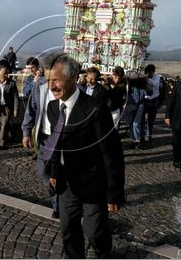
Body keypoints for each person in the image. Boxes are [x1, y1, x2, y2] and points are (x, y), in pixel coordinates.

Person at [45, 55, 125, 258]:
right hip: (66, 183)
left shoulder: (95, 108)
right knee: (69, 231)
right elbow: (56, 144)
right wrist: (54, 172)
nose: (51, 86)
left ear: (73, 77)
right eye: (48, 80)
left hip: (93, 183)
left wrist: (113, 192)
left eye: (56, 80)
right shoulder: (53, 108)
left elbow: (111, 152)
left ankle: (104, 252)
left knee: (94, 232)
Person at [22, 58, 58, 217]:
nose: (51, 82)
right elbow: (30, 109)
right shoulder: (39, 86)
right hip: (44, 136)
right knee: (44, 171)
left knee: (60, 172)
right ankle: (54, 190)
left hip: (63, 139)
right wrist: (26, 132)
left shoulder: (70, 88)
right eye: (48, 77)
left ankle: (58, 206)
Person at [144, 64, 161, 142]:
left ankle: (149, 134)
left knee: (151, 119)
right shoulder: (144, 76)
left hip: (154, 99)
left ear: (153, 72)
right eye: (148, 72)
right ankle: (142, 134)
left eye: (150, 73)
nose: (149, 74)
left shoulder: (157, 77)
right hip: (145, 99)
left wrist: (146, 78)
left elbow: (154, 84)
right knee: (142, 118)